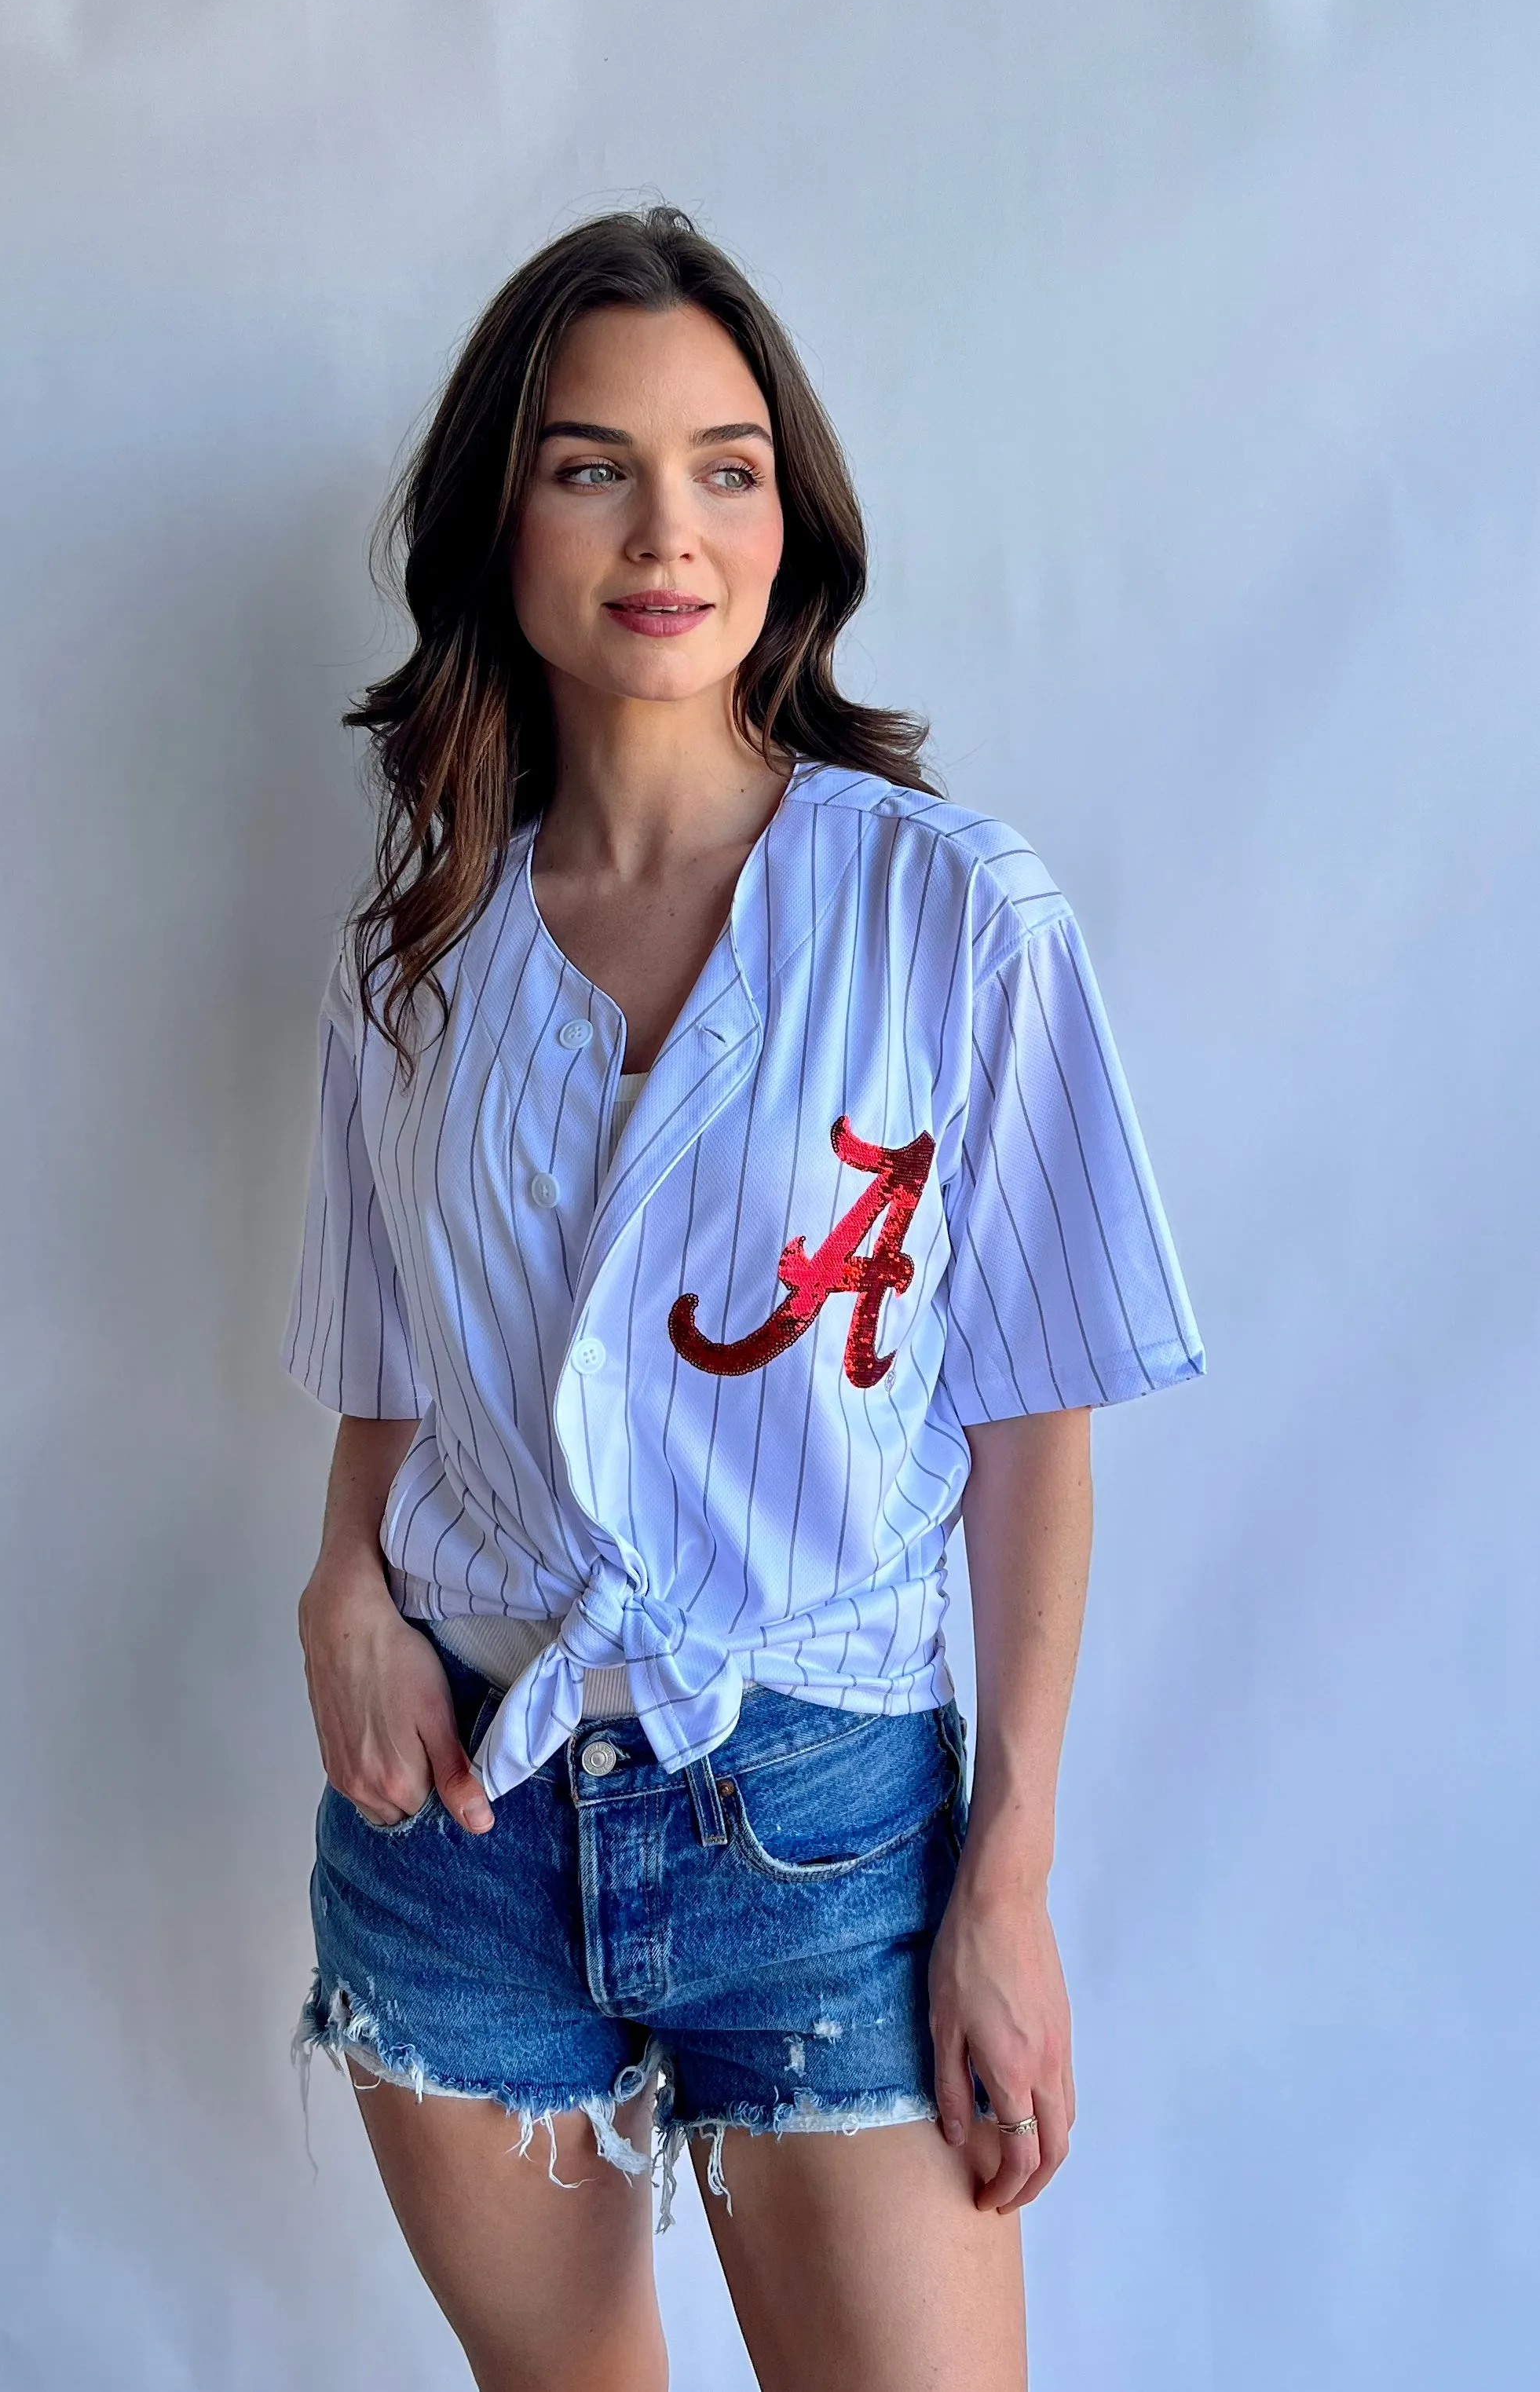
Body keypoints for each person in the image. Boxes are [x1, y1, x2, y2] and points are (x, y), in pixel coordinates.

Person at [281, 203, 1205, 2392]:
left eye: (726, 462)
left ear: (794, 514)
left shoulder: (944, 914)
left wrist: (1003, 1885)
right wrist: (337, 1576)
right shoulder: (407, 963)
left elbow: (1035, 1420)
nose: (663, 527)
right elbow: (388, 1353)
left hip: (822, 1814)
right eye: (589, 462)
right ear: (499, 518)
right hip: (462, 1827)